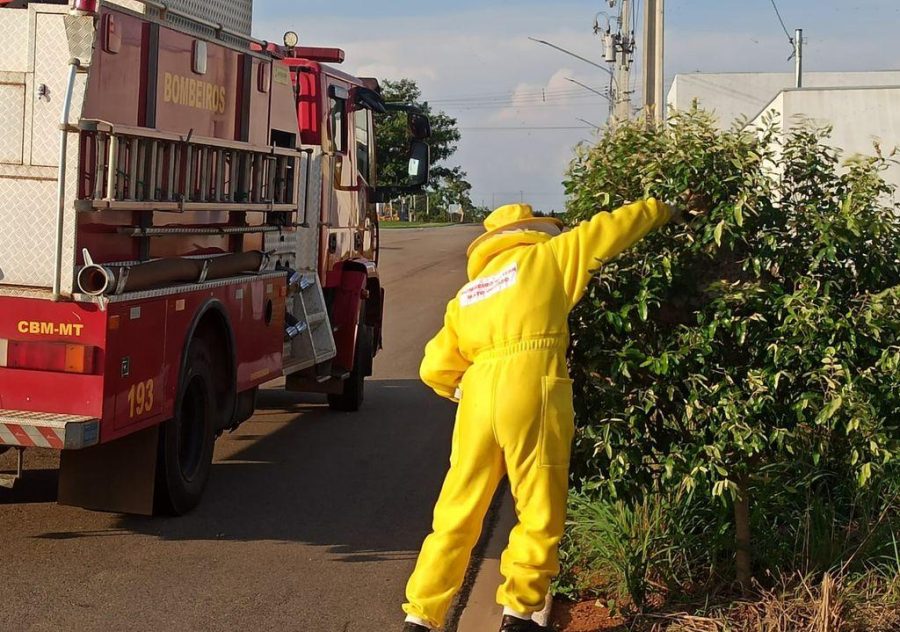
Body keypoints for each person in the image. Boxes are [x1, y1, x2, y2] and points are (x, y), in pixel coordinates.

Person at [401, 199, 676, 632]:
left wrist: (461, 390)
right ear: (532, 231)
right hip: (533, 382)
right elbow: (609, 228)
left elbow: (432, 367)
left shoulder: (467, 295)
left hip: (477, 394)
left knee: (457, 510)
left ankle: (420, 615)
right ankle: (520, 612)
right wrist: (663, 208)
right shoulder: (548, 256)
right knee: (538, 508)